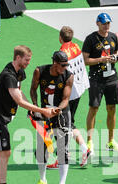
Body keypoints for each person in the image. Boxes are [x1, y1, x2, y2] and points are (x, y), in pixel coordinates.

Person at [0, 45, 61, 184]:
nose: (28, 63)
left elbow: (20, 93)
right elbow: (17, 99)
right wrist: (42, 111)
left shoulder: (19, 72)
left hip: (1, 116)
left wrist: (32, 108)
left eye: (29, 60)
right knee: (5, 152)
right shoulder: (8, 75)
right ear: (18, 58)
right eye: (26, 60)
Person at [29, 51, 74, 184]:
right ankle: (43, 180)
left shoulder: (68, 76)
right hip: (43, 114)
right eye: (62, 65)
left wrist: (57, 109)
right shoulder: (39, 71)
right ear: (54, 62)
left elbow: (66, 98)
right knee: (41, 150)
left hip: (61, 115)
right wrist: (35, 107)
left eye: (66, 65)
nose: (65, 67)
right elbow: (33, 89)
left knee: (62, 150)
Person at [47, 26, 91, 169]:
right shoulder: (76, 46)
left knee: (60, 124)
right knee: (70, 123)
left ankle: (65, 156)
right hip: (79, 89)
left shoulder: (61, 53)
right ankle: (81, 150)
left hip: (68, 93)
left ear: (60, 37)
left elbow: (60, 73)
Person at [82, 13, 118, 153]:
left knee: (112, 109)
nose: (107, 26)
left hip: (112, 78)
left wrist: (115, 58)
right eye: (104, 23)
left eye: (108, 23)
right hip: (96, 79)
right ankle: (89, 142)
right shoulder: (91, 39)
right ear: (97, 23)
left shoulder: (113, 37)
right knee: (94, 108)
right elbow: (85, 61)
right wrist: (101, 60)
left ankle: (111, 141)